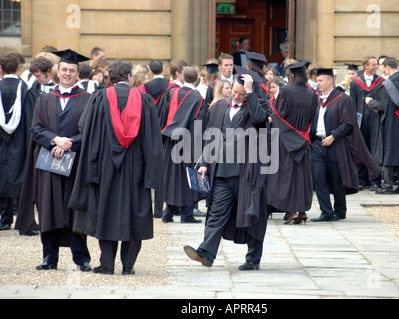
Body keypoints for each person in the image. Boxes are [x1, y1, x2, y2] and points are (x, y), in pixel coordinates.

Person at [68, 59, 164, 275]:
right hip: (136, 170)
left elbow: (84, 129)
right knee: (135, 214)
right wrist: (152, 174)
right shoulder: (145, 100)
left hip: (105, 169)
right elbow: (153, 144)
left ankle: (107, 264)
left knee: (106, 212)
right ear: (129, 78)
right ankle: (128, 265)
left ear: (110, 78)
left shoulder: (99, 99)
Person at [184, 68, 269, 271]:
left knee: (251, 215)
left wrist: (250, 94)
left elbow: (260, 120)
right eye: (234, 91)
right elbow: (210, 137)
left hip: (246, 174)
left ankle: (253, 259)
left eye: (241, 93)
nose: (236, 96)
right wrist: (204, 161)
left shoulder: (256, 106)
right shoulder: (219, 107)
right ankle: (206, 253)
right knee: (215, 213)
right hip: (221, 171)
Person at [15, 49, 92, 271]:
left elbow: (90, 131)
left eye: (72, 70)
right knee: (48, 207)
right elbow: (36, 129)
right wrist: (55, 140)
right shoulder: (45, 98)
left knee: (75, 209)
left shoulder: (87, 99)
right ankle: (50, 257)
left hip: (75, 163)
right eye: (64, 69)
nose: (67, 73)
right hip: (48, 163)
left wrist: (69, 143)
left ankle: (81, 257)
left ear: (78, 73)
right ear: (57, 71)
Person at [310, 68, 382, 222]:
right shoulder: (316, 99)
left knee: (336, 179)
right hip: (317, 144)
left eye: (321, 80)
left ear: (330, 81)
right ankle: (326, 212)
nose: (318, 83)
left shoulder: (342, 99)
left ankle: (340, 211)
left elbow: (349, 123)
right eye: (317, 81)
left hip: (335, 145)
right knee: (319, 178)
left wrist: (333, 136)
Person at [266, 61, 317, 225]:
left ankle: (291, 212)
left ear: (292, 76)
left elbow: (279, 115)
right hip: (303, 139)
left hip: (286, 140)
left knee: (287, 175)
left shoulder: (286, 91)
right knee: (302, 176)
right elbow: (311, 118)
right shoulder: (312, 94)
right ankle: (302, 211)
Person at [159, 65, 207, 224]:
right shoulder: (197, 98)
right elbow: (200, 124)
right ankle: (186, 214)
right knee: (187, 178)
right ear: (197, 79)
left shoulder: (170, 93)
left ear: (183, 77)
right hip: (188, 144)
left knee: (171, 177)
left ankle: (168, 213)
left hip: (170, 142)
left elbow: (162, 117)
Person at [0, 53, 36, 232]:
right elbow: (31, 119)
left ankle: (4, 220)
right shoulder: (26, 89)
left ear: (1, 68)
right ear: (18, 67)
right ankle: (23, 223)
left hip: (1, 143)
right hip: (20, 142)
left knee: (2, 177)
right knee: (21, 179)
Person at [366, 57, 399, 194]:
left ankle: (388, 186)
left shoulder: (388, 84)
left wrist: (370, 102)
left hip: (390, 123)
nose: (380, 69)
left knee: (388, 152)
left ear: (387, 67)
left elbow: (382, 106)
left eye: (381, 66)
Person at [350, 56, 384, 190]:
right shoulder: (355, 83)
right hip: (361, 120)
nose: (376, 67)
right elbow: (352, 102)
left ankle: (375, 180)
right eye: (373, 65)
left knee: (375, 149)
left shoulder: (381, 82)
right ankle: (361, 179)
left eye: (376, 64)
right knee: (360, 148)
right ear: (365, 66)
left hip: (375, 120)